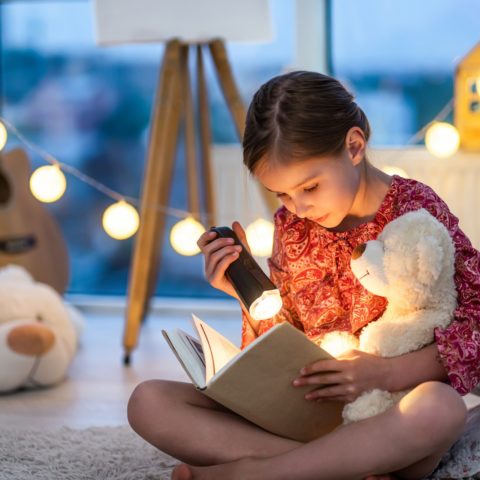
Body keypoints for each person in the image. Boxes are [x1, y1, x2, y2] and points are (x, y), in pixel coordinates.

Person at [127, 71, 480, 480]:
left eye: (310, 188)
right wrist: (244, 291)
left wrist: (381, 373)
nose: (298, 207)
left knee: (440, 408)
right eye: (282, 194)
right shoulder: (292, 226)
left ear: (353, 147)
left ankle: (257, 473)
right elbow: (282, 344)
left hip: (388, 408)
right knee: (148, 401)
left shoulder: (417, 210)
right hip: (312, 413)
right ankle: (338, 468)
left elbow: (474, 325)